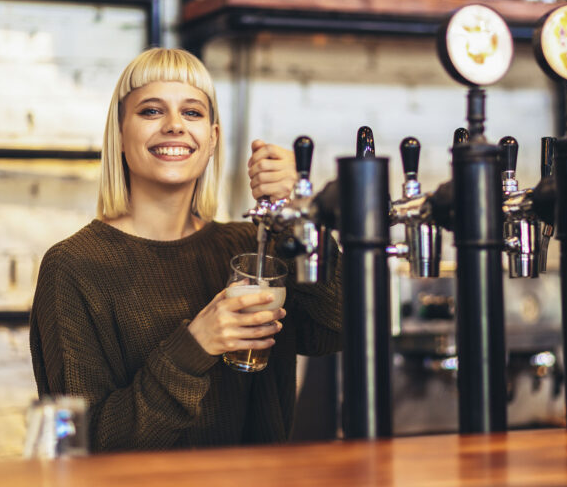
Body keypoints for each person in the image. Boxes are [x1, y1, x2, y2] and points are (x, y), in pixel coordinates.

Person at [29, 48, 342, 453]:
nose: (175, 125)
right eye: (151, 111)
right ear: (120, 135)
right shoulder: (74, 266)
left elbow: (341, 328)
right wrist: (195, 346)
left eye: (192, 112)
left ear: (212, 139)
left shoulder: (255, 245)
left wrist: (300, 217)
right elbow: (85, 447)